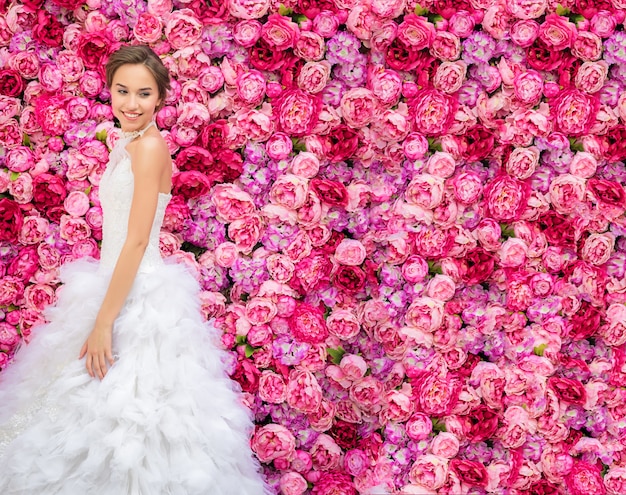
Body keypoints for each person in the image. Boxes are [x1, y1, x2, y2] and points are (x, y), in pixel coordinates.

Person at [0, 45, 270, 495]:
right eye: (122, 91)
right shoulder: (127, 145)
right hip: (112, 280)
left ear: (161, 98)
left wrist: (105, 321)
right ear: (109, 91)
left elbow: (139, 239)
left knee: (131, 410)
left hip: (137, 289)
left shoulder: (148, 148)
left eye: (143, 93)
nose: (130, 103)